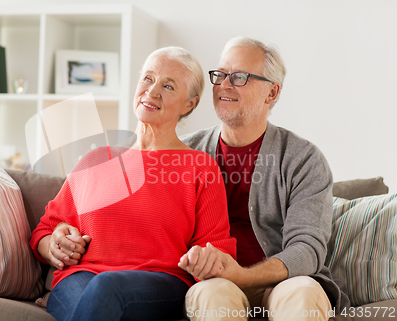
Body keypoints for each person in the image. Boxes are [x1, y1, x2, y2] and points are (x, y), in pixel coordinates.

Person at [30, 47, 237, 321]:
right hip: (79, 279)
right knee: (94, 296)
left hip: (160, 282)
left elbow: (217, 250)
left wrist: (204, 259)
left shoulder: (200, 167)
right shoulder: (95, 159)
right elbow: (45, 230)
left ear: (190, 104)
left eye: (168, 86)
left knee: (106, 288)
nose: (152, 92)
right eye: (148, 79)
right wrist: (54, 244)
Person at [178, 36, 350, 321]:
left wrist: (244, 275)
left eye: (240, 77)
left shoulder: (303, 159)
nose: (224, 85)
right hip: (212, 282)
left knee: (303, 293)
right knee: (211, 295)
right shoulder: (184, 152)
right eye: (220, 75)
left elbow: (307, 249)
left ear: (272, 93)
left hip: (283, 282)